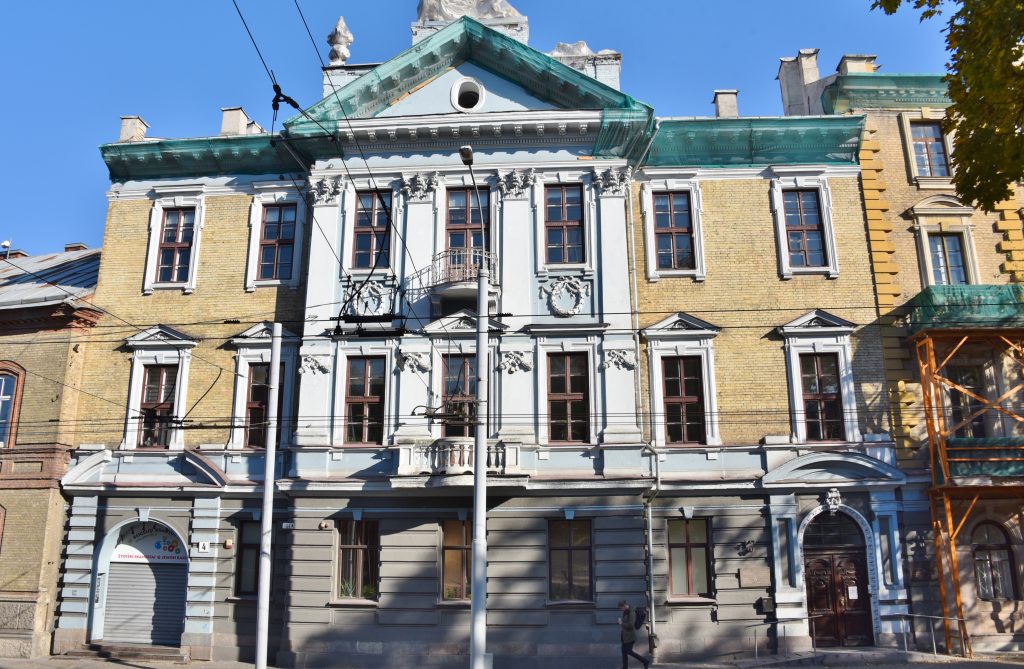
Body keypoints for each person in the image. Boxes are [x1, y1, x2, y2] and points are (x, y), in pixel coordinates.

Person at [618, 600, 650, 669]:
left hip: (629, 636)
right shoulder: (626, 612)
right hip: (624, 636)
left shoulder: (631, 612)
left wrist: (621, 623)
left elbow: (631, 625)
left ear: (624, 606)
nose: (621, 610)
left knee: (629, 651)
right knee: (624, 652)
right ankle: (625, 667)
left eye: (621, 608)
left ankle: (645, 661)